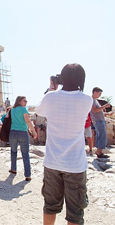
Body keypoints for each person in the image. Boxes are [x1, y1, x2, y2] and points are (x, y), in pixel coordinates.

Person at [36, 63, 93, 225]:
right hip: (75, 163)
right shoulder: (87, 100)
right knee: (75, 212)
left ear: (62, 78)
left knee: (50, 206)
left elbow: (39, 111)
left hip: (53, 162)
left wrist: (51, 88)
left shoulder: (50, 97)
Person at [9, 96, 37, 181]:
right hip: (22, 133)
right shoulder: (23, 109)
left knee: (13, 151)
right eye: (24, 101)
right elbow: (27, 121)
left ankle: (13, 169)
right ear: (19, 101)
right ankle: (27, 175)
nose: (26, 102)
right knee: (25, 154)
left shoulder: (12, 110)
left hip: (13, 132)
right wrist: (34, 132)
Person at [90, 87, 111, 158]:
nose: (99, 95)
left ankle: (99, 151)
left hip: (99, 120)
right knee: (102, 136)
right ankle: (99, 152)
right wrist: (104, 106)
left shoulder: (94, 100)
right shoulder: (92, 100)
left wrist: (107, 114)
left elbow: (97, 111)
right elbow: (95, 110)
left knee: (101, 136)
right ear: (95, 92)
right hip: (98, 121)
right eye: (99, 93)